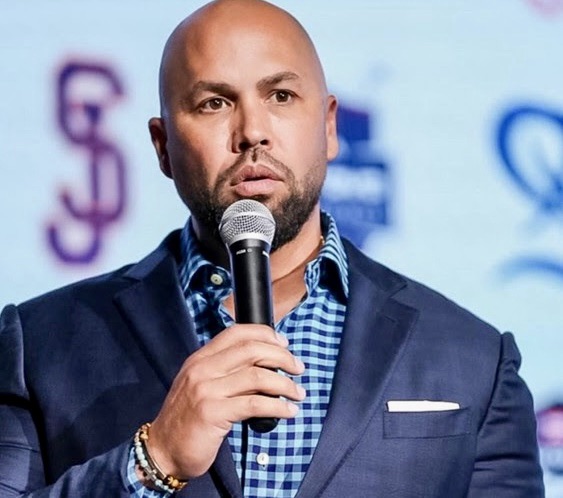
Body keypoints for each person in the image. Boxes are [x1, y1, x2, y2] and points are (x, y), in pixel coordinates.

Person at [0, 0, 544, 496]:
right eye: (214, 103)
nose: (252, 131)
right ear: (163, 147)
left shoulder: (474, 359)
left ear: (329, 126)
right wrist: (153, 460)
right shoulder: (41, 344)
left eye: (280, 96)